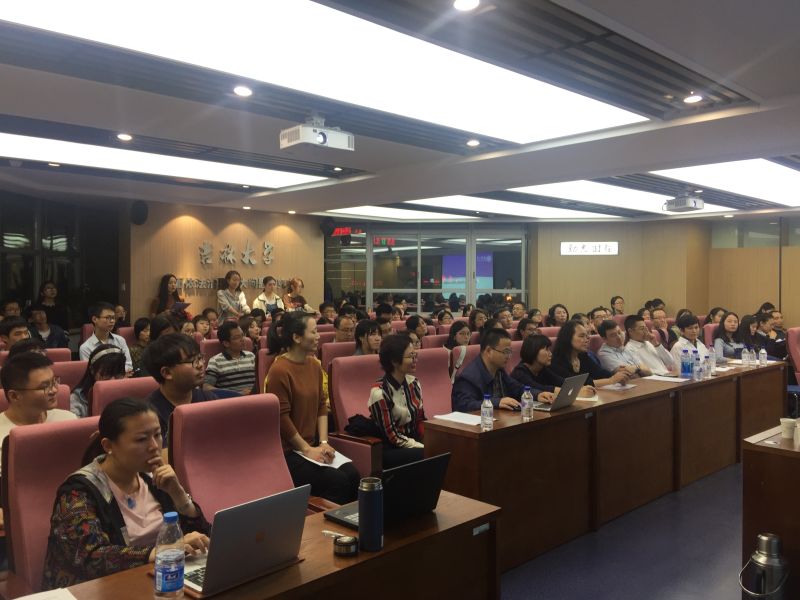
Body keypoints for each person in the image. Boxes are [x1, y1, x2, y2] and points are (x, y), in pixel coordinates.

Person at [41, 398, 209, 589]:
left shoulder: (153, 479)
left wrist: (179, 496)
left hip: (158, 580)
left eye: (157, 435)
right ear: (108, 446)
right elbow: (90, 557)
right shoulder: (78, 492)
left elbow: (203, 539)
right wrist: (160, 551)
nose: (154, 446)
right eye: (141, 439)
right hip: (101, 590)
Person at [265, 312, 359, 504]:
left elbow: (321, 406)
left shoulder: (314, 365)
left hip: (311, 445)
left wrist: (323, 442)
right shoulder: (279, 370)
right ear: (297, 337)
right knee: (337, 481)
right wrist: (307, 449)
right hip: (288, 452)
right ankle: (325, 521)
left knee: (353, 475)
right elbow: (282, 418)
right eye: (314, 332)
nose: (318, 336)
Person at [0, 352, 76, 470]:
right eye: (45, 386)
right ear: (14, 396)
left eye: (54, 382)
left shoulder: (69, 420)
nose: (54, 390)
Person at [452, 329, 554, 412]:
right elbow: (464, 406)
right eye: (505, 352)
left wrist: (537, 394)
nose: (509, 356)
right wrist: (497, 402)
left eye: (510, 352)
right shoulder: (467, 378)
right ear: (489, 351)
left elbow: (517, 388)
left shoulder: (499, 371)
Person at [142, 333, 217, 445]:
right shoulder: (148, 414)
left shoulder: (209, 399)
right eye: (193, 361)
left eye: (200, 358)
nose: (201, 365)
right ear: (167, 373)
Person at [369, 334, 426, 468]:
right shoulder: (379, 392)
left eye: (415, 355)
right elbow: (393, 436)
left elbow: (420, 419)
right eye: (410, 356)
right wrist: (421, 446)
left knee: (444, 447)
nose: (415, 360)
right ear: (394, 361)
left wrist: (430, 440)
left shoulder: (414, 383)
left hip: (413, 440)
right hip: (391, 447)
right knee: (427, 453)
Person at [550, 321, 631, 387]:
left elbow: (599, 373)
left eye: (587, 336)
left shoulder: (582, 356)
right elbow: (576, 384)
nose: (587, 340)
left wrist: (618, 376)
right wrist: (611, 380)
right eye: (582, 336)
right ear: (567, 338)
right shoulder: (556, 360)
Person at [511, 335, 596, 395]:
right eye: (546, 350)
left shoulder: (542, 369)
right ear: (533, 350)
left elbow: (561, 382)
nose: (550, 354)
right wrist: (576, 392)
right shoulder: (520, 372)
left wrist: (580, 387)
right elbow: (538, 388)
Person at [70, 345, 127, 417]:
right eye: (107, 374)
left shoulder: (128, 392)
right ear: (92, 370)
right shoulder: (76, 400)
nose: (113, 380)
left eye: (118, 375)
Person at [204, 321, 256, 395]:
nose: (242, 339)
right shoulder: (216, 361)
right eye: (237, 337)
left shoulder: (251, 356)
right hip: (231, 400)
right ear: (226, 343)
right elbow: (206, 387)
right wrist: (236, 394)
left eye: (242, 335)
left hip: (255, 398)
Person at [79, 302, 133, 372]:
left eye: (113, 318)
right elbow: (91, 373)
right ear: (95, 319)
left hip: (122, 378)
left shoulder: (120, 340)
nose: (112, 321)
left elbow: (129, 365)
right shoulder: (86, 348)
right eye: (108, 318)